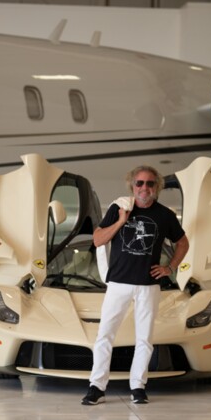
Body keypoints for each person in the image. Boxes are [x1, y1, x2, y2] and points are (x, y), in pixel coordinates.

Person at [81, 165, 189, 405]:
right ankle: (97, 387)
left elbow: (182, 243)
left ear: (157, 187)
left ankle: (138, 387)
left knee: (144, 340)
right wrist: (121, 221)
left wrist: (169, 268)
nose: (144, 188)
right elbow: (98, 239)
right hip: (118, 283)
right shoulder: (119, 208)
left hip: (149, 285)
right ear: (132, 186)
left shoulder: (165, 215)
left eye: (150, 183)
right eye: (139, 183)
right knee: (104, 336)